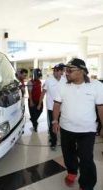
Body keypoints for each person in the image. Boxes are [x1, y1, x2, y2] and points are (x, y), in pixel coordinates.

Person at [52, 58, 103, 190]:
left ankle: (86, 184)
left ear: (81, 71)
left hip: (87, 130)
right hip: (66, 128)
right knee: (68, 154)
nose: (66, 73)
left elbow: (100, 108)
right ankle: (72, 172)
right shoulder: (62, 84)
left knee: (86, 158)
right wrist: (55, 120)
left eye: (69, 70)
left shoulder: (96, 85)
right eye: (65, 70)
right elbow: (57, 104)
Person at [37, 63, 66, 150]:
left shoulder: (64, 80)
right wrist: (39, 103)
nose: (55, 72)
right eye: (54, 70)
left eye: (57, 70)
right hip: (51, 108)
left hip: (63, 108)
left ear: (62, 71)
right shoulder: (49, 80)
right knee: (52, 125)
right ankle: (53, 141)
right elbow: (43, 93)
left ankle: (63, 140)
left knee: (63, 124)